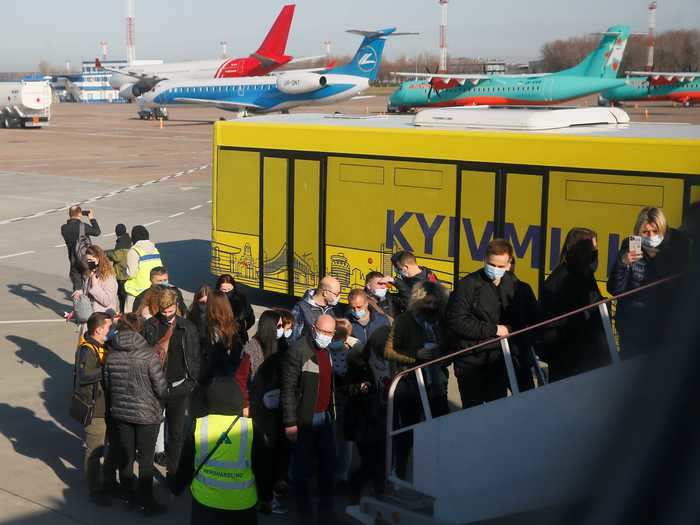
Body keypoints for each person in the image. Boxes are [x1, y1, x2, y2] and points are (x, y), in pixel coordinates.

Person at [446, 239, 534, 407]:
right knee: (473, 412)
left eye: (501, 266)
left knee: (497, 408)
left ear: (509, 264)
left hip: (499, 360)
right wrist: (494, 329)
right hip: (470, 361)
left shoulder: (515, 286)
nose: (495, 270)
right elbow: (456, 321)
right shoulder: (468, 285)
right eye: (492, 264)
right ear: (485, 260)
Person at [172, 378, 262, 525]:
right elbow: (262, 467)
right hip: (242, 505)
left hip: (205, 504)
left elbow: (186, 464)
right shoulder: (251, 428)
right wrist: (266, 496)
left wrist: (177, 488)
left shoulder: (199, 426)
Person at [384, 280, 449, 479]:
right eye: (427, 303)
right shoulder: (405, 320)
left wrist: (442, 354)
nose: (431, 307)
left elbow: (450, 345)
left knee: (441, 427)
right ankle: (399, 469)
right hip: (411, 383)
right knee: (408, 429)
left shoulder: (442, 321)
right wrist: (415, 355)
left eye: (434, 304)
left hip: (437, 383)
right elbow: (388, 351)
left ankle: (437, 470)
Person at [104, 314, 167, 515]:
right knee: (146, 460)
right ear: (138, 330)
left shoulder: (111, 355)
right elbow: (161, 388)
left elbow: (108, 385)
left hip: (121, 413)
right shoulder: (149, 356)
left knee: (126, 456)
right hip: (147, 414)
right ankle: (146, 501)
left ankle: (127, 494)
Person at [607, 206, 691, 358]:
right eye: (645, 232)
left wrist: (657, 258)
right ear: (637, 232)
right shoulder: (630, 245)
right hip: (632, 327)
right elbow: (615, 289)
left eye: (655, 231)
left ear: (663, 232)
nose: (651, 236)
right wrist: (622, 263)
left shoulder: (675, 249)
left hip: (662, 327)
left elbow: (677, 287)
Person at [282, 314, 337, 523]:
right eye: (323, 331)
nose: (326, 336)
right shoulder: (298, 351)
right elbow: (288, 389)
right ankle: (304, 514)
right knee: (302, 470)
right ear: (314, 328)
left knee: (328, 467)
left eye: (330, 333)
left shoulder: (328, 350)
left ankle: (326, 512)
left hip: (325, 418)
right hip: (304, 419)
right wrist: (290, 423)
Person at [142, 289, 201, 484]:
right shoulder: (150, 325)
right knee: (150, 430)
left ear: (177, 306)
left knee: (176, 433)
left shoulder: (188, 328)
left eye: (171, 311)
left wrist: (190, 383)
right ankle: (146, 473)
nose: (167, 315)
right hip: (155, 387)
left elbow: (194, 358)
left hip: (178, 387)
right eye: (163, 311)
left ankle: (173, 473)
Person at [540, 228, 611, 381]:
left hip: (583, 354)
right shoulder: (562, 279)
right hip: (569, 356)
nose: (596, 254)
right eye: (592, 249)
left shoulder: (583, 274)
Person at [250, 312, 291, 516]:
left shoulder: (280, 346)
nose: (282, 329)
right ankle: (265, 498)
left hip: (277, 411)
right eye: (280, 325)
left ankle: (270, 493)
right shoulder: (253, 348)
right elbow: (247, 379)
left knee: (276, 454)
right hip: (261, 412)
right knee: (264, 457)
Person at [74, 312, 117, 507]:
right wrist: (107, 367)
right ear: (99, 329)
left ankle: (108, 481)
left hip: (108, 406)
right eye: (109, 327)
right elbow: (84, 376)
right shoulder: (87, 349)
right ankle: (94, 488)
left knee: (109, 447)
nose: (112, 330)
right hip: (95, 410)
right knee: (94, 452)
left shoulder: (102, 345)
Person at [344, 325, 391, 503]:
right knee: (371, 463)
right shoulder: (359, 361)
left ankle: (380, 494)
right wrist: (360, 387)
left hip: (382, 417)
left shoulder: (389, 361)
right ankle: (355, 488)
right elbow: (346, 387)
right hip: (363, 420)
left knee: (382, 461)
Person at [329, 318, 359, 487]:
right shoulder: (353, 349)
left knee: (331, 436)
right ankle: (342, 475)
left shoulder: (325, 349)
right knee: (345, 440)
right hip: (348, 399)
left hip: (331, 400)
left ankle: (330, 471)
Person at [238, 310, 283, 407]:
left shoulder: (278, 345)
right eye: (279, 326)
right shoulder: (251, 349)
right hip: (255, 402)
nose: (282, 329)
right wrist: (245, 403)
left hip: (273, 400)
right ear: (270, 327)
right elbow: (241, 379)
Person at [201, 291, 244, 385]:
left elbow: (210, 356)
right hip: (231, 371)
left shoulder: (210, 326)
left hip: (216, 373)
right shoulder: (233, 324)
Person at [61, 206, 101, 293]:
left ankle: (78, 305)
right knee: (90, 285)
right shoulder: (83, 226)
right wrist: (91, 218)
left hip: (73, 260)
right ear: (79, 214)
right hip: (86, 260)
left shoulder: (64, 228)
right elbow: (97, 232)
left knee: (77, 289)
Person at [124, 225, 162, 313]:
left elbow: (131, 273)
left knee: (132, 319)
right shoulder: (155, 250)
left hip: (137, 292)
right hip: (153, 289)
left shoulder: (134, 251)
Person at [290, 276, 341, 341]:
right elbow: (293, 338)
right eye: (336, 294)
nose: (339, 297)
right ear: (325, 293)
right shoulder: (301, 308)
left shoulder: (333, 309)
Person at [217, 274, 256, 343]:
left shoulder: (242, 299)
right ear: (218, 289)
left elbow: (251, 318)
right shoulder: (214, 300)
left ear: (233, 287)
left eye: (229, 289)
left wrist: (242, 329)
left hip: (239, 339)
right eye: (223, 290)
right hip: (219, 340)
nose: (227, 292)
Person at [81, 245, 119, 315]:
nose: (88, 263)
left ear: (98, 259)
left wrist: (95, 286)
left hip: (103, 319)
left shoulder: (109, 277)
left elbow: (106, 301)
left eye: (91, 260)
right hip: (91, 317)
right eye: (87, 261)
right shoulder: (90, 274)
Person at [106, 224, 132, 313]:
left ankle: (123, 313)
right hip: (128, 271)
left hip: (122, 273)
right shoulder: (128, 239)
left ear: (116, 232)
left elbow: (117, 256)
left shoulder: (121, 242)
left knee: (122, 296)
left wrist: (107, 254)